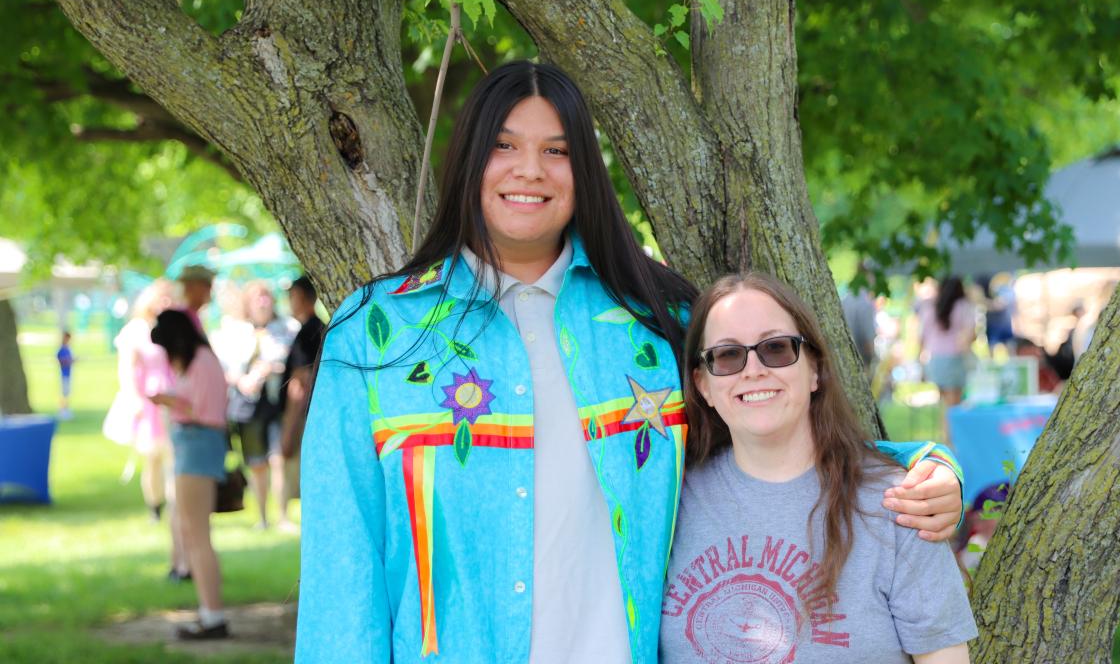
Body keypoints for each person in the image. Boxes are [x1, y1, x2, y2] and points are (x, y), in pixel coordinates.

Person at [297, 61, 964, 662]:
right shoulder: (376, 335)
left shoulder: (658, 321)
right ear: (468, 160)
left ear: (584, 173)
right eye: (504, 146)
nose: (529, 170)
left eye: (556, 152)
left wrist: (923, 466)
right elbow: (341, 570)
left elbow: (776, 421)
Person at [662, 273, 976, 662]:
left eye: (776, 348)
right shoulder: (668, 499)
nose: (753, 369)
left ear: (815, 370)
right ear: (703, 384)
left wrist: (938, 461)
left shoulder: (900, 502)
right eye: (727, 355)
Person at [148, 309, 230, 640]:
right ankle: (209, 612)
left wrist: (170, 400)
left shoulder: (201, 362)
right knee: (192, 533)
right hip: (195, 446)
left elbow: (204, 411)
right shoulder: (202, 360)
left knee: (196, 535)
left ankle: (212, 615)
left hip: (197, 446)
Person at [225, 281, 297, 530]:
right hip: (248, 406)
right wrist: (243, 381)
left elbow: (294, 361)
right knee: (257, 463)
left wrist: (271, 368)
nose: (263, 301)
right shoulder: (235, 330)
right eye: (257, 297)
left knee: (279, 459)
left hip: (277, 403)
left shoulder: (287, 327)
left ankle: (283, 516)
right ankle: (263, 517)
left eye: (266, 296)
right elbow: (227, 369)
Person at [105, 280, 175, 524]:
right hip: (150, 398)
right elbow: (127, 369)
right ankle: (155, 506)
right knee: (153, 455)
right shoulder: (137, 330)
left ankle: (175, 503)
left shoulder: (174, 328)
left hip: (172, 395)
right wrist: (134, 399)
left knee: (173, 454)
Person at [277, 275, 325, 521]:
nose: (289, 302)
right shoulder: (315, 329)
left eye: (293, 296)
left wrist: (289, 427)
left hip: (305, 417)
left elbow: (300, 383)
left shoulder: (309, 332)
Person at [918, 276, 976, 439]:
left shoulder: (930, 307)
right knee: (954, 405)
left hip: (935, 360)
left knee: (945, 404)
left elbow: (922, 336)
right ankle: (952, 440)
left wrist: (920, 362)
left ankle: (948, 438)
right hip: (954, 358)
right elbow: (971, 334)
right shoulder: (963, 306)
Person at [176, 265, 215, 337]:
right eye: (207, 284)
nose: (210, 289)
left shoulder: (192, 316)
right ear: (191, 286)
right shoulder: (179, 319)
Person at [56, 330, 75, 420]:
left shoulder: (67, 349)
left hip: (68, 374)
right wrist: (69, 361)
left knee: (66, 393)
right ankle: (63, 411)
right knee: (64, 393)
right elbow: (61, 360)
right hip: (64, 374)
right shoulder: (62, 349)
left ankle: (65, 409)